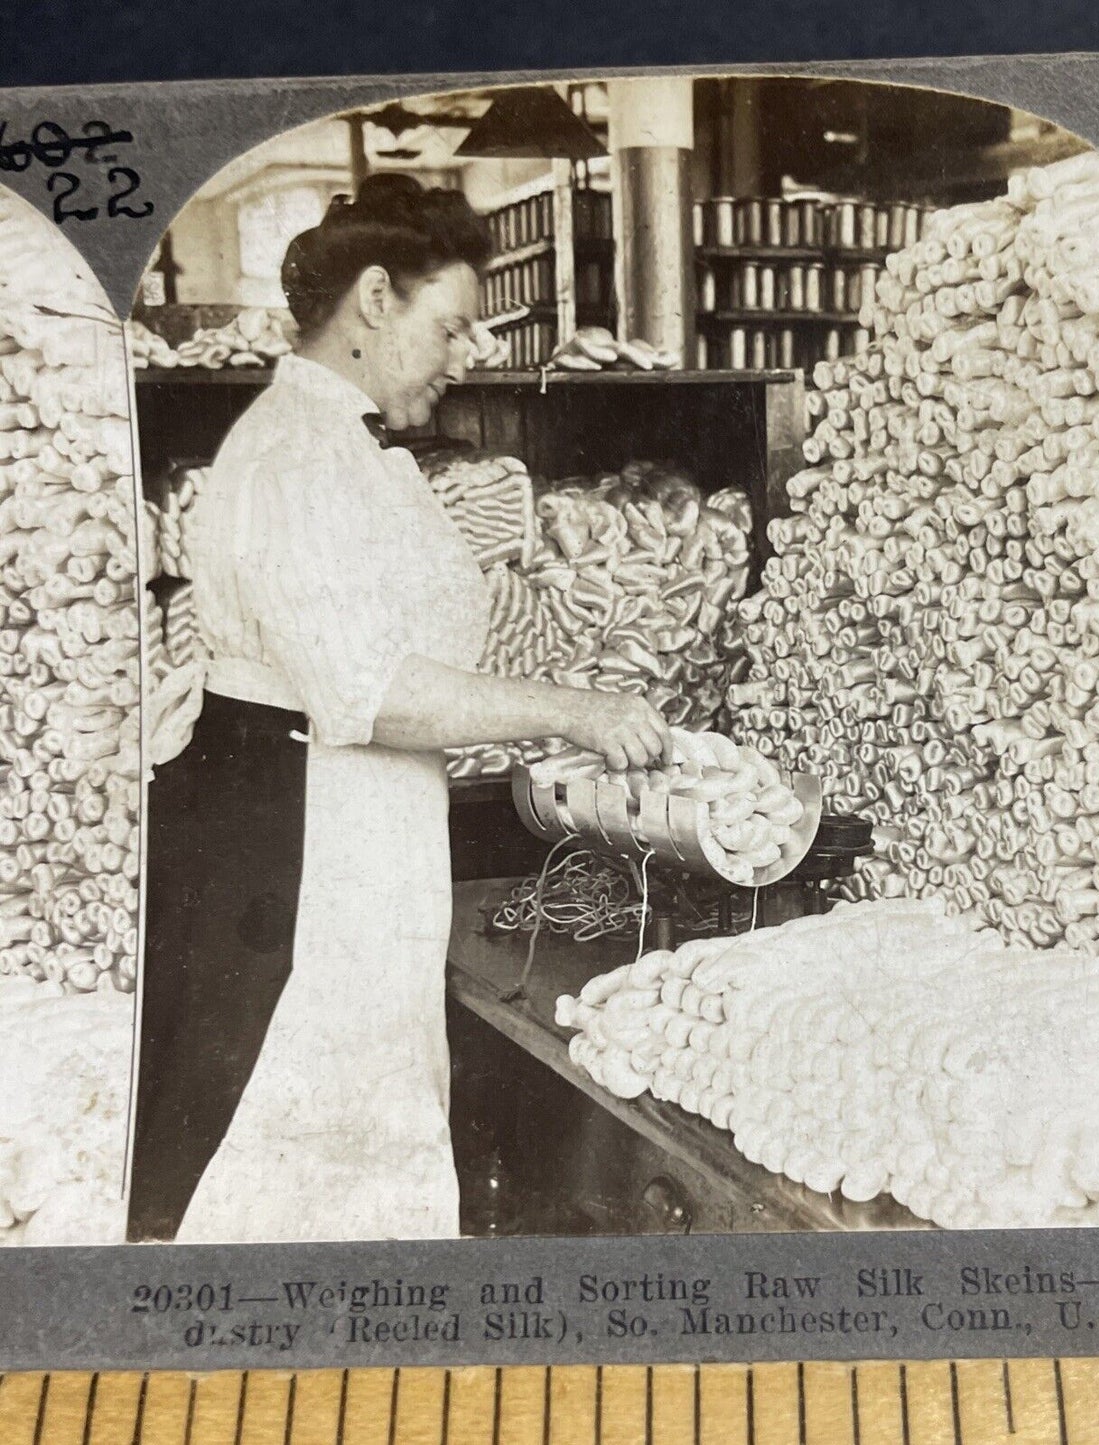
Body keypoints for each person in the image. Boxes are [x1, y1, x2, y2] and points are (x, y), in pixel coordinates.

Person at [126, 175, 670, 1245]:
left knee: (358, 1134)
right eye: (452, 324)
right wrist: (574, 709)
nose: (465, 354)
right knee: (305, 1147)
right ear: (375, 298)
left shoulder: (342, 442)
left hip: (350, 823)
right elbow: (368, 687)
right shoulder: (299, 457)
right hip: (304, 842)